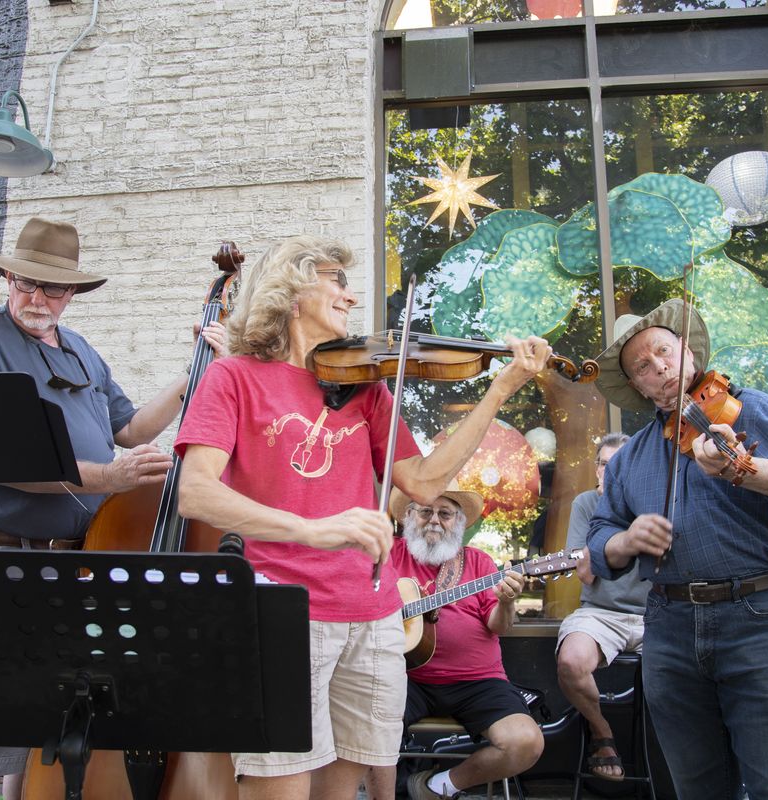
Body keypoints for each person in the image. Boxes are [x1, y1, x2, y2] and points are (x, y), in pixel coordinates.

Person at [174, 234, 552, 800]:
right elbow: (196, 494)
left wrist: (500, 389)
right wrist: (311, 529)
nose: (351, 299)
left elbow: (423, 482)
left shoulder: (368, 389)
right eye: (337, 282)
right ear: (292, 288)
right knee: (280, 783)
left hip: (372, 616)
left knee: (345, 785)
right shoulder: (234, 377)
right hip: (282, 608)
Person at [0, 216, 226, 800]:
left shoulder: (82, 351)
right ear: (8, 280)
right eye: (24, 283)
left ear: (72, 294)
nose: (35, 297)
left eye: (51, 288)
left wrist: (194, 370)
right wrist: (107, 479)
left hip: (74, 561)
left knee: (44, 729)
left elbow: (131, 427)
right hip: (5, 558)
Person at [585, 299, 768, 800]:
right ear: (637, 387)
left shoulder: (756, 410)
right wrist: (625, 540)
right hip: (668, 628)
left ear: (686, 351)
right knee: (696, 786)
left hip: (758, 619)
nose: (658, 366)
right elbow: (599, 541)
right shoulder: (629, 459)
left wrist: (743, 468)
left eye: (663, 351)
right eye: (642, 365)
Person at [378, 482, 544, 800]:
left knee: (526, 742)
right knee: (368, 726)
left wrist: (507, 602)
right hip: (403, 676)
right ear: (410, 516)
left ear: (459, 522)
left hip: (477, 681)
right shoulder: (389, 555)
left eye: (445, 513)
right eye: (426, 511)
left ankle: (438, 786)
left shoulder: (479, 563)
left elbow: (500, 627)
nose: (435, 520)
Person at [554, 431, 643, 783]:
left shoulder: (654, 503)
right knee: (571, 661)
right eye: (604, 465)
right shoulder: (586, 504)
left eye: (617, 465)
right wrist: (608, 513)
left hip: (659, 614)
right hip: (602, 613)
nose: (609, 472)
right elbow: (587, 575)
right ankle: (602, 733)